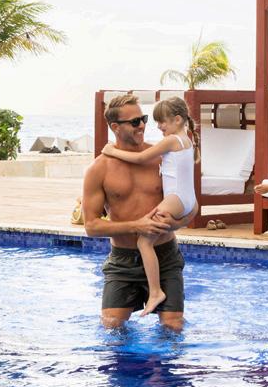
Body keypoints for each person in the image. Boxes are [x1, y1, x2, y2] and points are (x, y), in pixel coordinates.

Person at [82, 94, 197, 331]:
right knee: (112, 326)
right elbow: (91, 226)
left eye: (143, 119)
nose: (143, 126)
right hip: (123, 261)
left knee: (173, 326)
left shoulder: (161, 156)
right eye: (135, 122)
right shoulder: (99, 169)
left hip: (165, 255)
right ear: (115, 127)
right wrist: (137, 226)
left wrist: (177, 223)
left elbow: (192, 203)